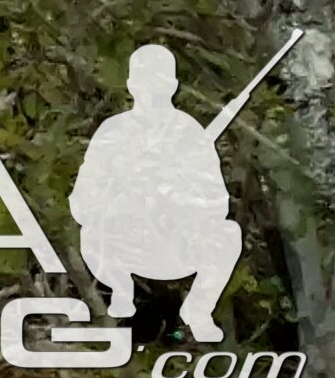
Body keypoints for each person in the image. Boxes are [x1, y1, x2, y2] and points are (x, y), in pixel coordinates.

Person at [74, 41, 248, 341]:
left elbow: (218, 203)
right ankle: (121, 292)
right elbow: (81, 204)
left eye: (160, 80)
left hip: (176, 244)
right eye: (145, 80)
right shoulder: (112, 132)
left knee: (228, 234)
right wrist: (120, 198)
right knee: (89, 234)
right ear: (131, 84)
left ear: (173, 85)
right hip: (126, 247)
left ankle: (198, 311)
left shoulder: (191, 133)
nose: (152, 89)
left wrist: (179, 198)